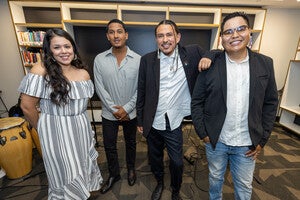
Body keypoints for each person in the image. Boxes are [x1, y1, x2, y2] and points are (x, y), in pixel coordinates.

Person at [191, 12, 278, 200]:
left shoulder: (265, 64)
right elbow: (197, 101)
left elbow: (271, 103)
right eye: (228, 32)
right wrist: (203, 133)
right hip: (216, 140)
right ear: (222, 38)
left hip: (247, 143)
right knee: (215, 179)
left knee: (244, 187)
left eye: (240, 29)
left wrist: (262, 139)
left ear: (249, 33)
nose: (235, 35)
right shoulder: (210, 65)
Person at [18, 28, 102, 199]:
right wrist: (43, 129)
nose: (64, 51)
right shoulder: (40, 70)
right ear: (49, 50)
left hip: (80, 129)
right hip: (56, 132)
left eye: (67, 46)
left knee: (82, 167)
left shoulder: (83, 73)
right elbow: (27, 107)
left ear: (73, 49)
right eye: (57, 47)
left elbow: (82, 106)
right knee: (64, 173)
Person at [136, 19, 212, 200]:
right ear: (156, 39)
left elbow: (216, 52)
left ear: (178, 37)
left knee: (177, 162)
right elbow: (141, 91)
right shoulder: (147, 60)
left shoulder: (192, 53)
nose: (165, 40)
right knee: (155, 159)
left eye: (169, 34)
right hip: (153, 120)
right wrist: (140, 120)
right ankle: (160, 182)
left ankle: (176, 189)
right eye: (160, 36)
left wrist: (209, 57)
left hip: (174, 120)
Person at [93, 19, 141, 194]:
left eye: (119, 31)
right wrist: (116, 110)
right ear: (107, 36)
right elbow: (99, 87)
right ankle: (114, 174)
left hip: (131, 112)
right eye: (111, 32)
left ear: (126, 35)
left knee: (131, 143)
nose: (116, 35)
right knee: (109, 145)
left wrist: (126, 109)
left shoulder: (138, 59)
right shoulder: (99, 59)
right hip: (108, 113)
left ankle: (131, 169)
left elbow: (140, 88)